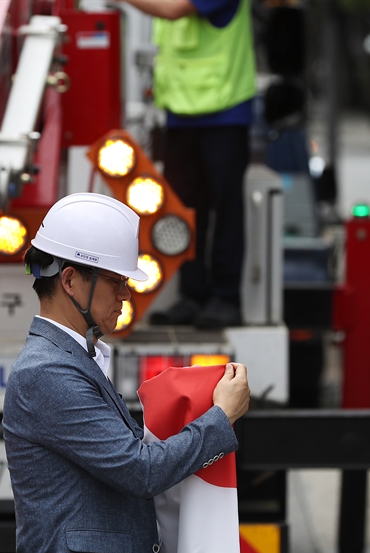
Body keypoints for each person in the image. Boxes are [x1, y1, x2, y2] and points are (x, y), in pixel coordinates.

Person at [2, 193, 251, 553]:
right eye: (116, 281)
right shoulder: (47, 372)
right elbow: (141, 470)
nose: (126, 294)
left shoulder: (71, 358)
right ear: (70, 281)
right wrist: (220, 417)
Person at [120, 0, 256, 328]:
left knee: (225, 207)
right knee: (184, 211)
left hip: (225, 108)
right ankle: (192, 296)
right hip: (180, 112)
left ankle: (226, 298)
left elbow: (174, 9)